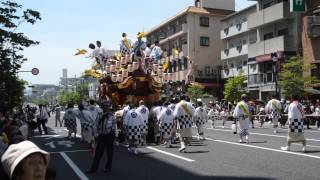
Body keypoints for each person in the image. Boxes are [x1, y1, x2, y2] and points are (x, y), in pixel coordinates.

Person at [86, 100, 117, 174]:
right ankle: (93, 169)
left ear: (109, 107)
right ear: (102, 107)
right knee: (98, 154)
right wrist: (95, 134)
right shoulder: (99, 115)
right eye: (104, 106)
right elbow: (95, 125)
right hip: (101, 136)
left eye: (107, 106)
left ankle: (108, 167)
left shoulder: (112, 116)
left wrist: (115, 137)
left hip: (109, 136)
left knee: (110, 153)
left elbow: (114, 126)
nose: (105, 107)